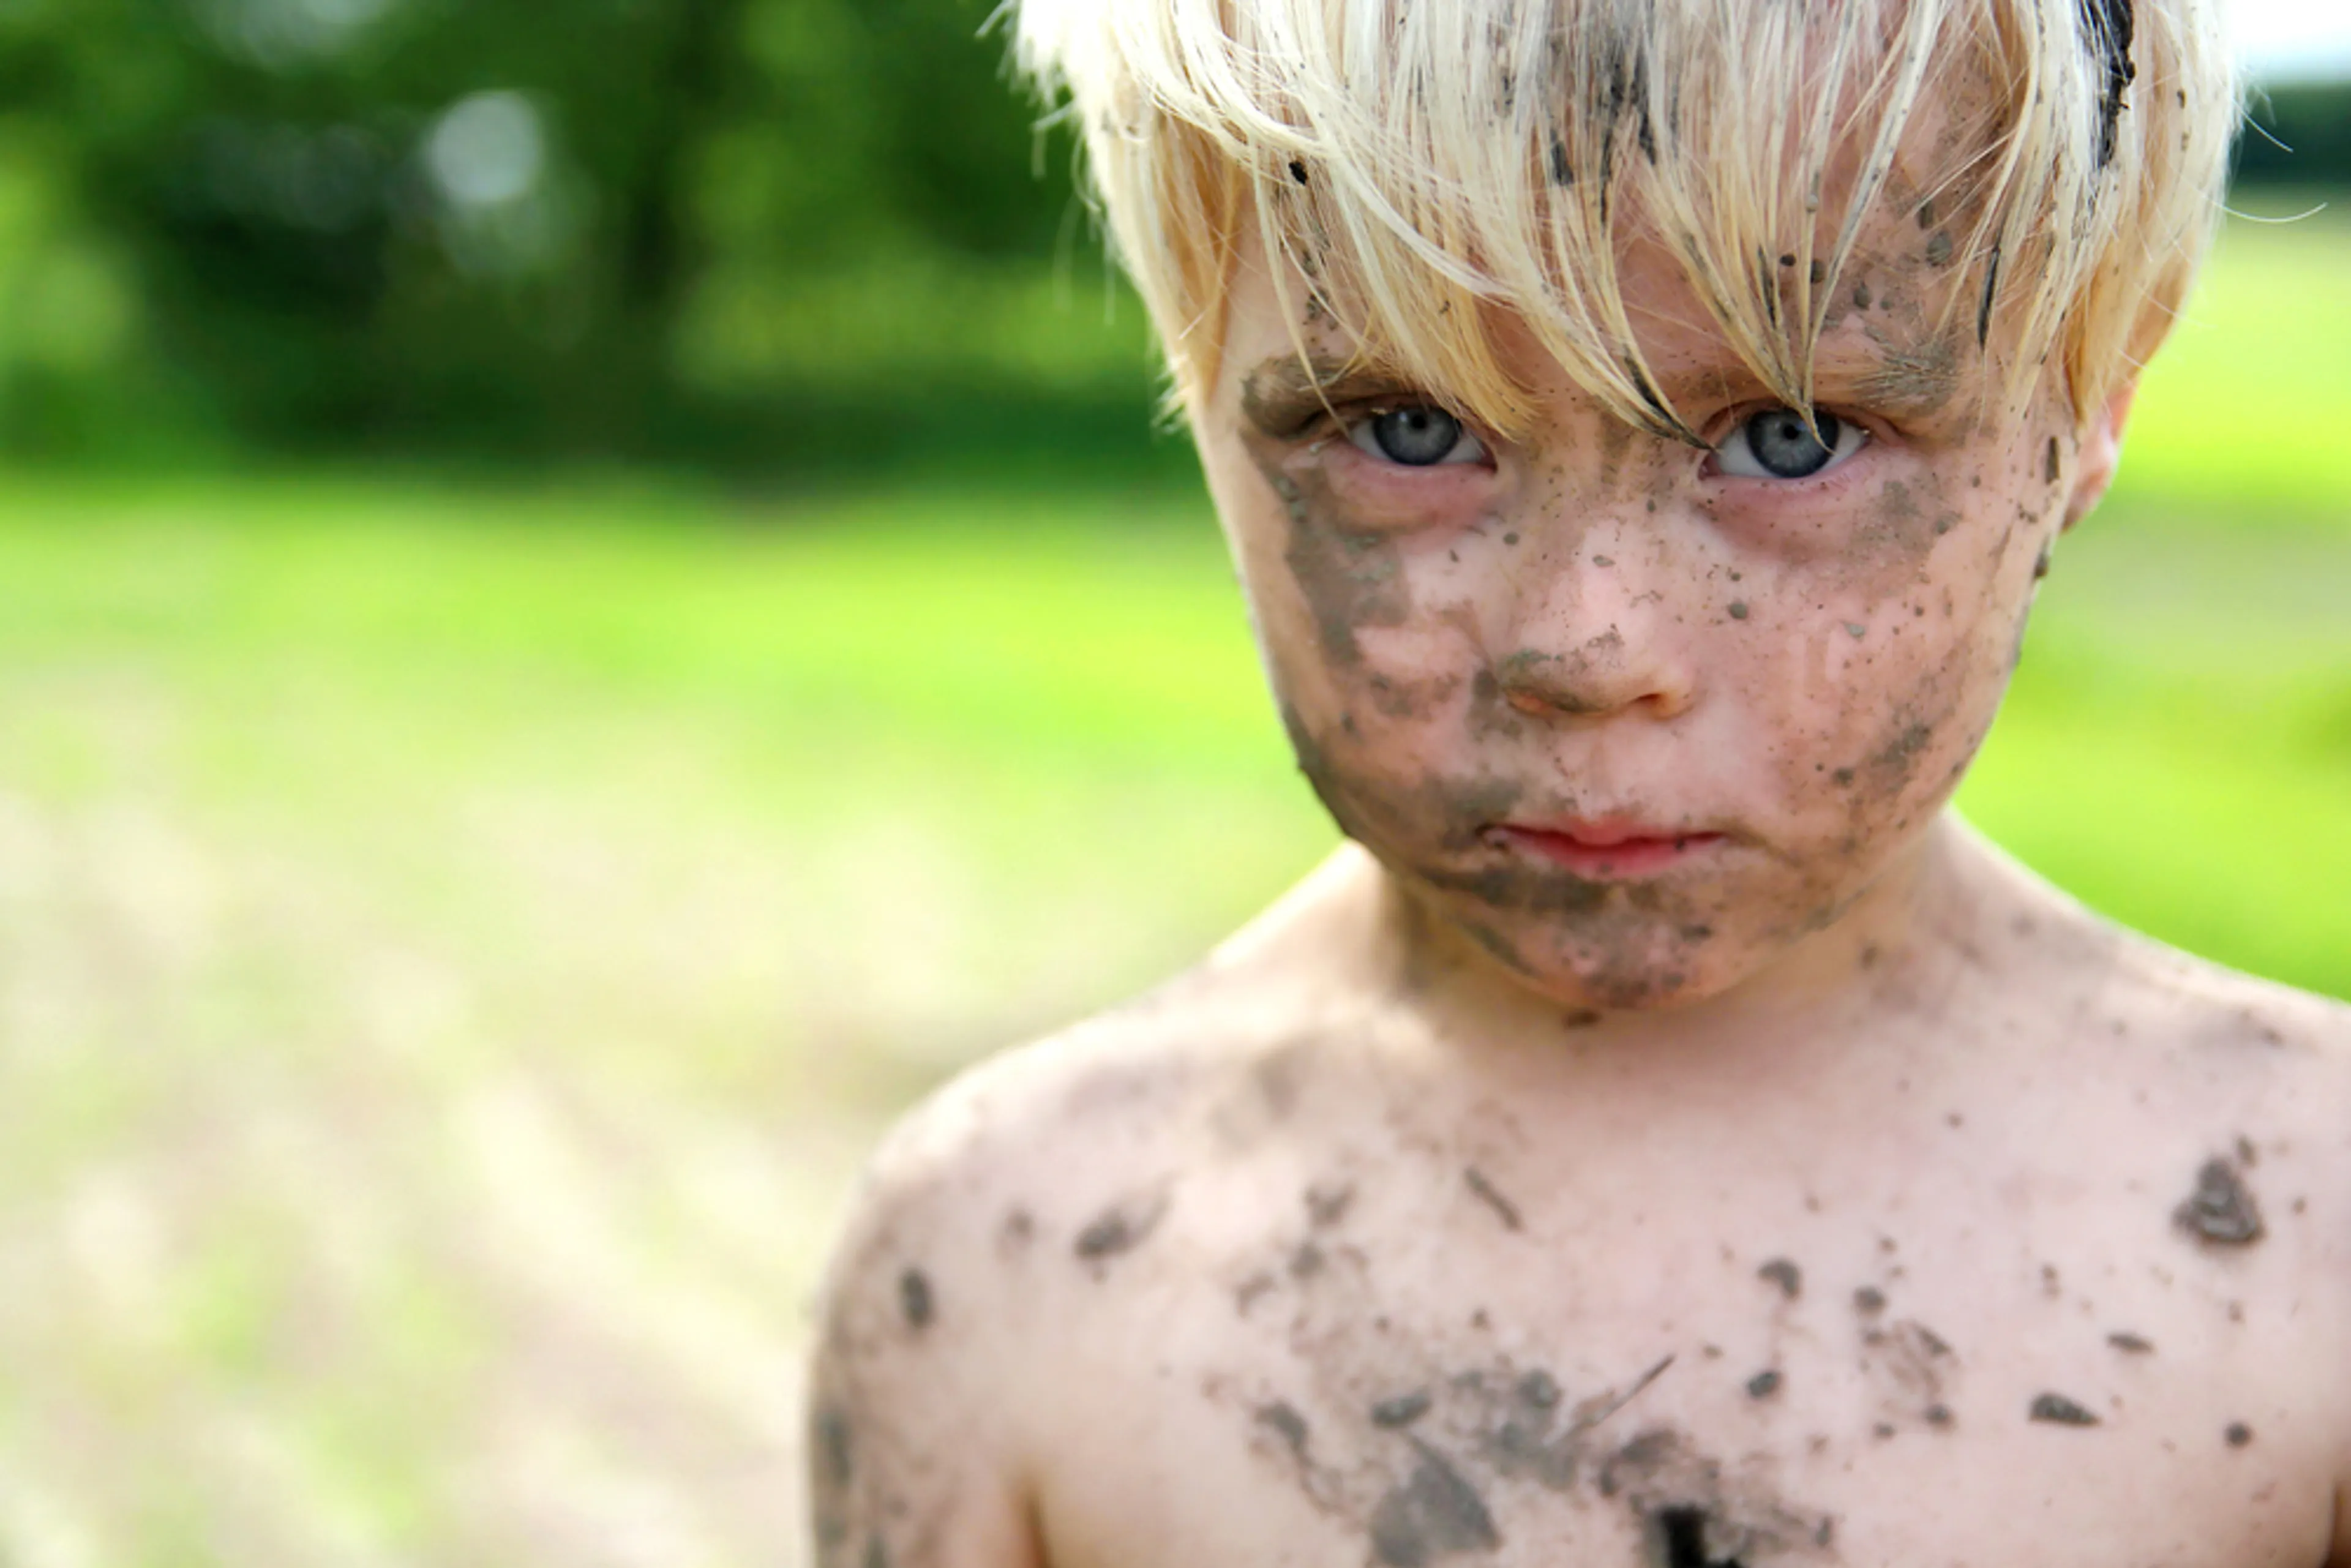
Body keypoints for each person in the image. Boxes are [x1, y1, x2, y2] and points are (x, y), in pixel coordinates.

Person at [807, 0, 2351, 1562]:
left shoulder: (2306, 1241)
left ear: (2093, 400)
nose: (1585, 643)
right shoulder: (1015, 1260)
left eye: (1794, 436)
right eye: (1407, 429)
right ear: (1199, 385)